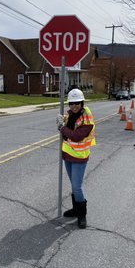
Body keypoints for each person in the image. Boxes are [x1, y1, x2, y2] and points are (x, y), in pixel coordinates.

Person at [56, 88, 96, 228]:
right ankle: (75, 209)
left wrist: (61, 128)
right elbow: (68, 128)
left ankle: (82, 215)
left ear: (82, 103)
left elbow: (77, 136)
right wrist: (62, 121)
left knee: (76, 187)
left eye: (77, 103)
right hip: (68, 156)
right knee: (73, 185)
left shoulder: (87, 117)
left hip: (79, 156)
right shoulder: (71, 114)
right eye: (71, 103)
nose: (74, 106)